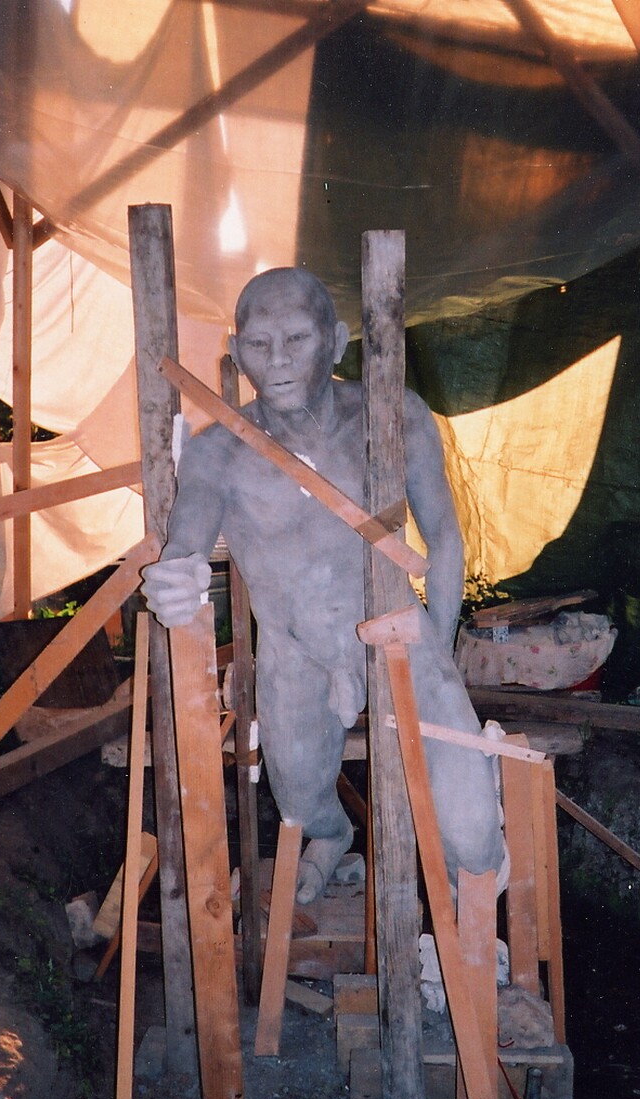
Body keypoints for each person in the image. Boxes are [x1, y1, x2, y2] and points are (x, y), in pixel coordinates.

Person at [141, 267, 503, 903]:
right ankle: (334, 842)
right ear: (237, 350)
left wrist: (440, 655)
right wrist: (176, 582)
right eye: (259, 345)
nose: (277, 361)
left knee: (473, 839)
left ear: (335, 342)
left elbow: (444, 539)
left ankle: (470, 920)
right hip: (295, 652)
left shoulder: (392, 414)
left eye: (297, 340)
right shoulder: (218, 451)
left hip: (401, 634)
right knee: (301, 802)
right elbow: (185, 547)